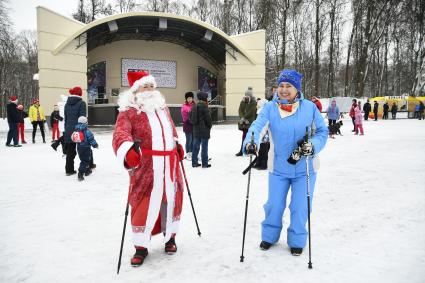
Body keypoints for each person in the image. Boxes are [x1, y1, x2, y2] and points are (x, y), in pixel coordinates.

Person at [244, 69, 328, 256]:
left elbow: (322, 132)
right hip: (279, 168)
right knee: (274, 204)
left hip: (305, 168)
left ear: (297, 89)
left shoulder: (309, 107)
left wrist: (312, 145)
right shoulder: (270, 108)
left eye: (288, 86)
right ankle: (269, 235)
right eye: (281, 86)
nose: (283, 90)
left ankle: (297, 239)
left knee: (300, 207)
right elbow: (257, 127)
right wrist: (251, 142)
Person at [112, 71, 184, 267]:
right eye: (146, 86)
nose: (150, 90)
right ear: (136, 89)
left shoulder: (162, 108)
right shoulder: (128, 111)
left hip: (169, 166)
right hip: (146, 167)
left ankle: (170, 238)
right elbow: (120, 134)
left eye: (152, 86)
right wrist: (128, 150)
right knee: (143, 204)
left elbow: (171, 129)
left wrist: (176, 143)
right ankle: (141, 247)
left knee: (171, 200)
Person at [64, 86, 92, 176]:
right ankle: (88, 166)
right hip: (79, 129)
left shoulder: (67, 104)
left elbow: (66, 118)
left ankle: (69, 170)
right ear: (80, 94)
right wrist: (83, 129)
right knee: (85, 148)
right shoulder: (81, 103)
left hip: (68, 129)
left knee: (70, 151)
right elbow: (82, 117)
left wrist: (66, 129)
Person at [72, 116, 98, 181]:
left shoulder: (76, 130)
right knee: (85, 161)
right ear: (85, 122)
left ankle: (87, 171)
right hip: (86, 148)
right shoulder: (86, 131)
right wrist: (95, 145)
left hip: (79, 147)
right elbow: (91, 139)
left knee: (84, 160)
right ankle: (80, 174)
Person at [190, 91, 212, 168]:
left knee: (195, 147)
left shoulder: (194, 106)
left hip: (196, 130)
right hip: (204, 130)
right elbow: (208, 119)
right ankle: (205, 163)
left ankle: (194, 163)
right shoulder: (204, 106)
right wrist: (209, 126)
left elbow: (190, 118)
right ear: (204, 98)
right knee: (204, 147)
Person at [236, 87, 257, 156]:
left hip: (250, 122)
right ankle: (242, 150)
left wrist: (244, 117)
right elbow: (240, 110)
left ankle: (250, 150)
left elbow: (251, 111)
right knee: (244, 137)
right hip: (244, 123)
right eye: (246, 95)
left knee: (251, 137)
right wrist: (242, 118)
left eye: (248, 95)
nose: (246, 97)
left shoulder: (254, 102)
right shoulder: (243, 101)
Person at [181, 92, 194, 161]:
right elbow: (185, 117)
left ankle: (192, 153)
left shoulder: (194, 105)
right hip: (187, 125)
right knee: (189, 140)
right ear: (186, 99)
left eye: (191, 98)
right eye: (188, 98)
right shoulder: (184, 107)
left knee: (193, 140)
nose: (190, 99)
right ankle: (188, 153)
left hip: (194, 125)